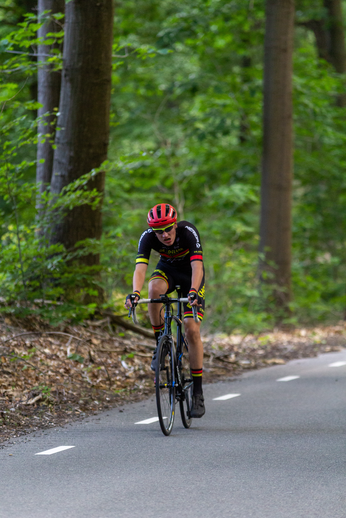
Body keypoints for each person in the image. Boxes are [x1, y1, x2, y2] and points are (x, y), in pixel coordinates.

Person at [125, 203, 206, 418]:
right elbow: (140, 267)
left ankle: (197, 393)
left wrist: (194, 291)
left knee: (191, 330)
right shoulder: (147, 237)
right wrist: (134, 292)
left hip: (190, 275)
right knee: (153, 289)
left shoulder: (188, 231)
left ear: (175, 225)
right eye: (159, 231)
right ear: (153, 231)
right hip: (167, 271)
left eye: (169, 229)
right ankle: (160, 342)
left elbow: (198, 265)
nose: (165, 235)